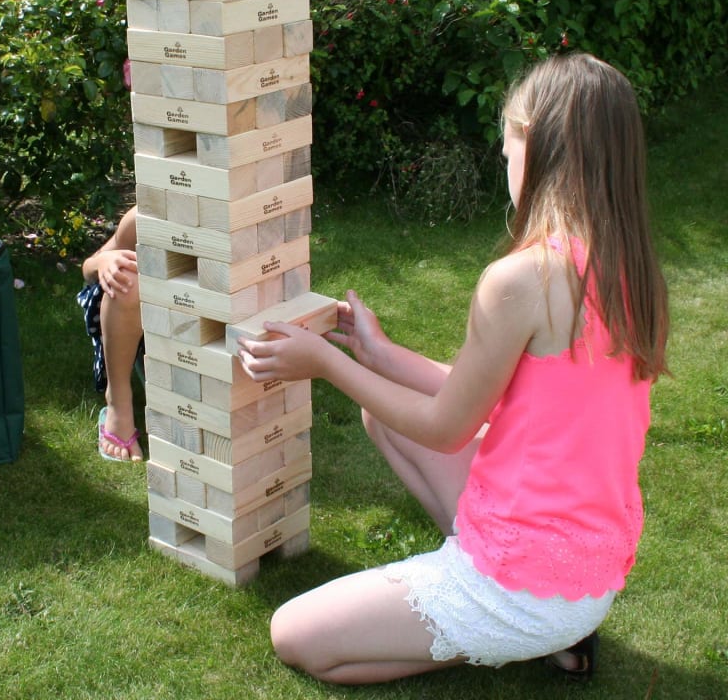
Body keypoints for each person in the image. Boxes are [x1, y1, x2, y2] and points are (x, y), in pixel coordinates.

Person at [236, 53, 669, 684]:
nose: (506, 165)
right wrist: (382, 357)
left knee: (296, 636)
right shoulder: (628, 266)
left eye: (509, 150)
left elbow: (446, 428)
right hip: (589, 568)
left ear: (543, 153)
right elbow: (500, 395)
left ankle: (499, 629)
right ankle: (545, 630)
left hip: (529, 584)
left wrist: (324, 362)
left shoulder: (522, 279)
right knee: (382, 416)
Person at [78, 204, 144, 462]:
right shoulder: (144, 216)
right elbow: (88, 268)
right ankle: (118, 402)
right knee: (125, 279)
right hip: (143, 325)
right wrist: (104, 261)